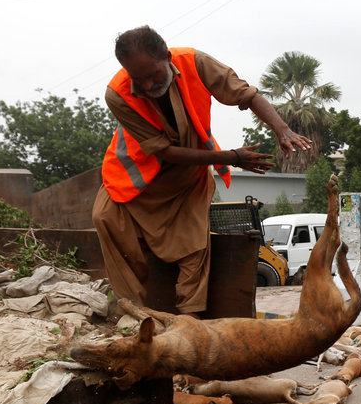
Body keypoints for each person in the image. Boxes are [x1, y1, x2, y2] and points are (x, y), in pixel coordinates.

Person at [91, 25, 310, 315]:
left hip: (188, 178)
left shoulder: (196, 63)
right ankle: (132, 313)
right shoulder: (117, 95)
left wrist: (282, 130)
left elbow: (247, 95)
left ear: (167, 57)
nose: (146, 85)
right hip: (137, 181)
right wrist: (232, 156)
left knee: (194, 247)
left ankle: (189, 320)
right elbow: (164, 151)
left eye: (154, 75)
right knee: (104, 216)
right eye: (138, 79)